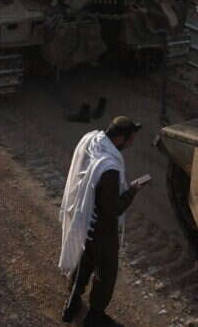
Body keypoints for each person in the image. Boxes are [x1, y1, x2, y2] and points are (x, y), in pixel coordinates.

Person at [59, 116, 147, 326]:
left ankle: (71, 306)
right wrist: (132, 191)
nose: (131, 144)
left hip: (84, 221)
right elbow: (112, 210)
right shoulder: (109, 169)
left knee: (84, 264)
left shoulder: (93, 142)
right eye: (130, 139)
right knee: (105, 275)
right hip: (101, 231)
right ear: (119, 139)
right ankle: (95, 316)